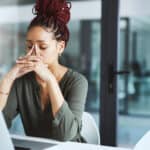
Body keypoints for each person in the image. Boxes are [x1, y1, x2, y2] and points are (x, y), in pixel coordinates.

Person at [0, 0, 88, 142]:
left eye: (43, 46)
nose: (34, 53)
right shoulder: (22, 81)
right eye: (29, 46)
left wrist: (50, 80)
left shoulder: (77, 81)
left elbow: (67, 135)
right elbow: (1, 125)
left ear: (60, 47)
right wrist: (7, 80)